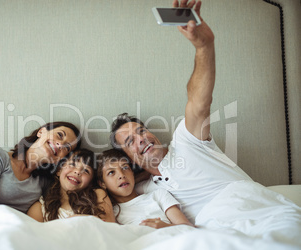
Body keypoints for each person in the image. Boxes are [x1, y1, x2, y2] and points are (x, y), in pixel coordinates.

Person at [109, 0, 252, 224]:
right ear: (127, 157)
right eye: (130, 141)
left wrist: (204, 47)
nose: (142, 139)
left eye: (141, 131)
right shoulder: (140, 191)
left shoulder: (186, 142)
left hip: (256, 211)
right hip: (218, 238)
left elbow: (198, 102)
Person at [0, 121, 81, 217]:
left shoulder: (44, 183)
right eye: (60, 135)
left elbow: (66, 200)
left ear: (58, 160)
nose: (60, 144)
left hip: (10, 236)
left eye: (67, 147)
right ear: (41, 132)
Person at [97, 149, 193, 228]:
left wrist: (165, 227)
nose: (121, 175)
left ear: (132, 173)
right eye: (111, 172)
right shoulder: (112, 214)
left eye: (125, 168)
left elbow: (188, 228)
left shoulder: (158, 195)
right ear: (102, 184)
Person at [27, 149, 115, 222]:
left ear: (90, 182)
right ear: (59, 171)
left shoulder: (98, 195)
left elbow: (107, 229)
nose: (77, 172)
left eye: (86, 171)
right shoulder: (40, 208)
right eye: (72, 164)